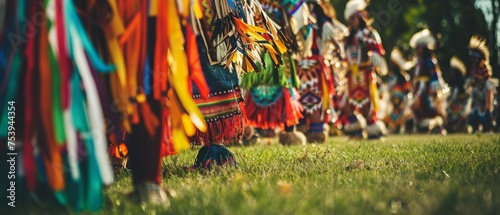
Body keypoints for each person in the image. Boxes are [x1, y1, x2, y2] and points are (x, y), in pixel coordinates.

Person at [339, 0, 388, 139]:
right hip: (351, 75)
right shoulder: (348, 36)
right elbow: (343, 55)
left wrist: (372, 58)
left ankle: (373, 131)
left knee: (366, 104)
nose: (352, 21)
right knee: (346, 104)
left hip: (365, 74)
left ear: (361, 18)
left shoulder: (369, 33)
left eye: (355, 18)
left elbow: (377, 52)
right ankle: (356, 130)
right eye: (350, 19)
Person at [409, 29, 449, 134]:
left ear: (424, 49)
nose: (418, 50)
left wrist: (434, 88)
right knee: (418, 107)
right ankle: (423, 128)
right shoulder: (419, 61)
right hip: (419, 89)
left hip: (427, 89)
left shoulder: (429, 61)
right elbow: (416, 77)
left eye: (419, 48)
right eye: (417, 48)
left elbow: (434, 75)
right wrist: (414, 88)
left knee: (429, 108)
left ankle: (437, 127)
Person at [465, 35, 498, 133]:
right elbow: (472, 81)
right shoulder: (473, 70)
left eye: (474, 58)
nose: (472, 61)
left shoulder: (485, 68)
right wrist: (473, 83)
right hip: (476, 93)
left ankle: (487, 128)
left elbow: (487, 80)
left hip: (485, 92)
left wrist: (479, 81)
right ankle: (475, 127)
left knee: (486, 110)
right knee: (474, 110)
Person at [383, 48, 413, 134]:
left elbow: (407, 89)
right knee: (391, 114)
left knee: (401, 115)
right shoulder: (391, 77)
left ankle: (401, 128)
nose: (391, 66)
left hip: (401, 100)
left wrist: (405, 99)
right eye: (391, 64)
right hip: (392, 100)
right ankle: (394, 128)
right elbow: (388, 88)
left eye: (393, 65)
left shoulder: (403, 77)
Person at [446, 57, 470, 133]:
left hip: (462, 104)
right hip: (453, 104)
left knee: (460, 115)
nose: (452, 73)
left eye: (453, 72)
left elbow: (463, 93)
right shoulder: (452, 82)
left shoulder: (460, 82)